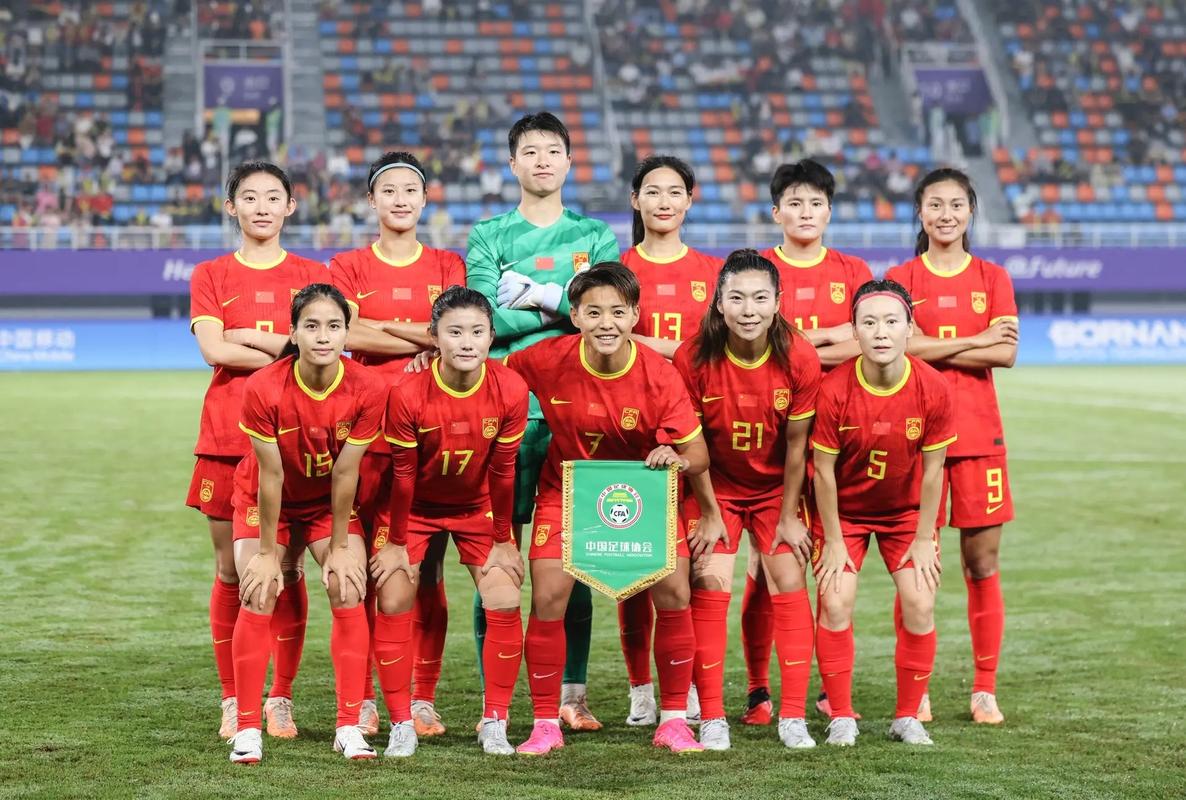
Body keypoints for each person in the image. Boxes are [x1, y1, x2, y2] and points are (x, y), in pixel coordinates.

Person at [504, 263, 712, 755]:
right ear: (574, 316)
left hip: (641, 492)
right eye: (593, 312)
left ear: (635, 315)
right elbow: (492, 376)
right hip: (567, 491)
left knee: (675, 592)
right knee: (547, 597)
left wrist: (676, 458)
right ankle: (544, 724)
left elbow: (699, 454)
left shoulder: (659, 375)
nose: (606, 323)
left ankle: (674, 721)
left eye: (618, 312)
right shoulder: (546, 358)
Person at [466, 111, 619, 730]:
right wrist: (562, 303)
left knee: (569, 565)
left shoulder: (596, 235)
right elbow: (484, 319)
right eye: (530, 151)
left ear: (569, 161)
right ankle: (495, 701)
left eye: (553, 150)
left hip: (572, 416)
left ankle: (571, 697)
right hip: (501, 412)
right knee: (496, 563)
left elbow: (604, 313)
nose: (542, 161)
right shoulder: (488, 234)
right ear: (513, 164)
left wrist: (534, 293)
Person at [186, 161, 325, 740]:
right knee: (230, 571)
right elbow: (213, 351)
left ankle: (281, 697)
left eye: (273, 197)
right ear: (231, 207)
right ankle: (232, 697)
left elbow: (323, 350)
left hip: (298, 439)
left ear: (291, 206)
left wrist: (248, 337)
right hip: (227, 436)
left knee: (288, 568)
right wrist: (285, 348)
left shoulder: (314, 274)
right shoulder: (211, 273)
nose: (262, 207)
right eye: (249, 197)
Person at [329, 151, 466, 737]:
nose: (401, 199)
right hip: (362, 433)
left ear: (425, 199)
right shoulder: (348, 265)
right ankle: (363, 697)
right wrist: (424, 336)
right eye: (389, 190)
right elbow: (345, 330)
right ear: (372, 200)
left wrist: (382, 329)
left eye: (411, 189)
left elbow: (458, 332)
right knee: (363, 570)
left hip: (431, 435)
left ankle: (421, 697)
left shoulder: (447, 263)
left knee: (424, 572)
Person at [225, 284, 387, 764]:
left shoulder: (368, 387)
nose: (323, 336)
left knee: (348, 585)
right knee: (258, 589)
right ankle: (247, 729)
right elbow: (270, 475)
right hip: (264, 499)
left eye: (334, 326)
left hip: (324, 502)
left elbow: (346, 472)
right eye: (311, 326)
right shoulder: (264, 387)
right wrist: (267, 553)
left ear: (347, 333)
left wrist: (339, 546)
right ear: (293, 332)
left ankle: (348, 726)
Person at [368, 287, 529, 758]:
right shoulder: (407, 392)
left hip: (476, 506)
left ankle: (495, 721)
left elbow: (504, 471)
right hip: (414, 508)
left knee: (504, 596)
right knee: (394, 594)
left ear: (492, 336)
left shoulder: (510, 389)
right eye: (454, 332)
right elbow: (403, 474)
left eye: (477, 332)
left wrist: (503, 539)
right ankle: (401, 722)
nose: (467, 342)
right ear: (433, 337)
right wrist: (397, 543)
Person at [885, 168, 1018, 725]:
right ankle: (917, 689)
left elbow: (1005, 353)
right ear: (920, 211)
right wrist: (974, 339)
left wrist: (931, 345)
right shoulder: (900, 277)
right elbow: (897, 348)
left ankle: (984, 688)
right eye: (935, 204)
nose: (946, 214)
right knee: (916, 565)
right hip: (916, 440)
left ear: (970, 211)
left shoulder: (993, 276)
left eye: (956, 204)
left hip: (979, 437)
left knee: (981, 564)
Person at [672, 250, 821, 750]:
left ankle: (793, 716)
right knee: (709, 582)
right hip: (714, 487)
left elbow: (797, 446)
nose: (748, 309)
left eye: (760, 298)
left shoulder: (800, 357)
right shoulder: (693, 357)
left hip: (776, 491)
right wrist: (710, 513)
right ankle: (712, 716)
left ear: (778, 302)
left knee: (788, 578)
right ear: (719, 302)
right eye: (736, 298)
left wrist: (789, 516)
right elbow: (692, 445)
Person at [750, 159, 875, 723]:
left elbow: (868, 339)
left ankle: (827, 689)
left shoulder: (853, 270)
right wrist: (829, 338)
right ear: (776, 211)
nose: (806, 213)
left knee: (828, 564)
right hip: (770, 436)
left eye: (816, 204)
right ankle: (759, 690)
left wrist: (804, 339)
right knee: (765, 567)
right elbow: (754, 342)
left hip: (838, 437)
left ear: (830, 211)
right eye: (795, 203)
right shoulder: (758, 269)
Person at [811, 278, 956, 748]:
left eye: (892, 321)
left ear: (909, 328)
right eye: (869, 322)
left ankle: (907, 717)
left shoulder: (933, 387)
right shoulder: (834, 389)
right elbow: (822, 472)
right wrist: (834, 541)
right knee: (835, 602)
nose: (880, 332)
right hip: (845, 515)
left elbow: (934, 472)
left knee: (920, 602)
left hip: (906, 515)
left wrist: (924, 538)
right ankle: (841, 716)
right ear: (854, 330)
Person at [618, 154, 722, 726]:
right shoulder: (618, 268)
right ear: (636, 200)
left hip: (701, 432)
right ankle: (641, 689)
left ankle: (693, 688)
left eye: (674, 191)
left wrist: (655, 347)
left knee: (697, 569)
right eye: (652, 191)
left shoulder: (713, 272)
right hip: (635, 431)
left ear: (690, 199)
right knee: (635, 570)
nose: (664, 201)